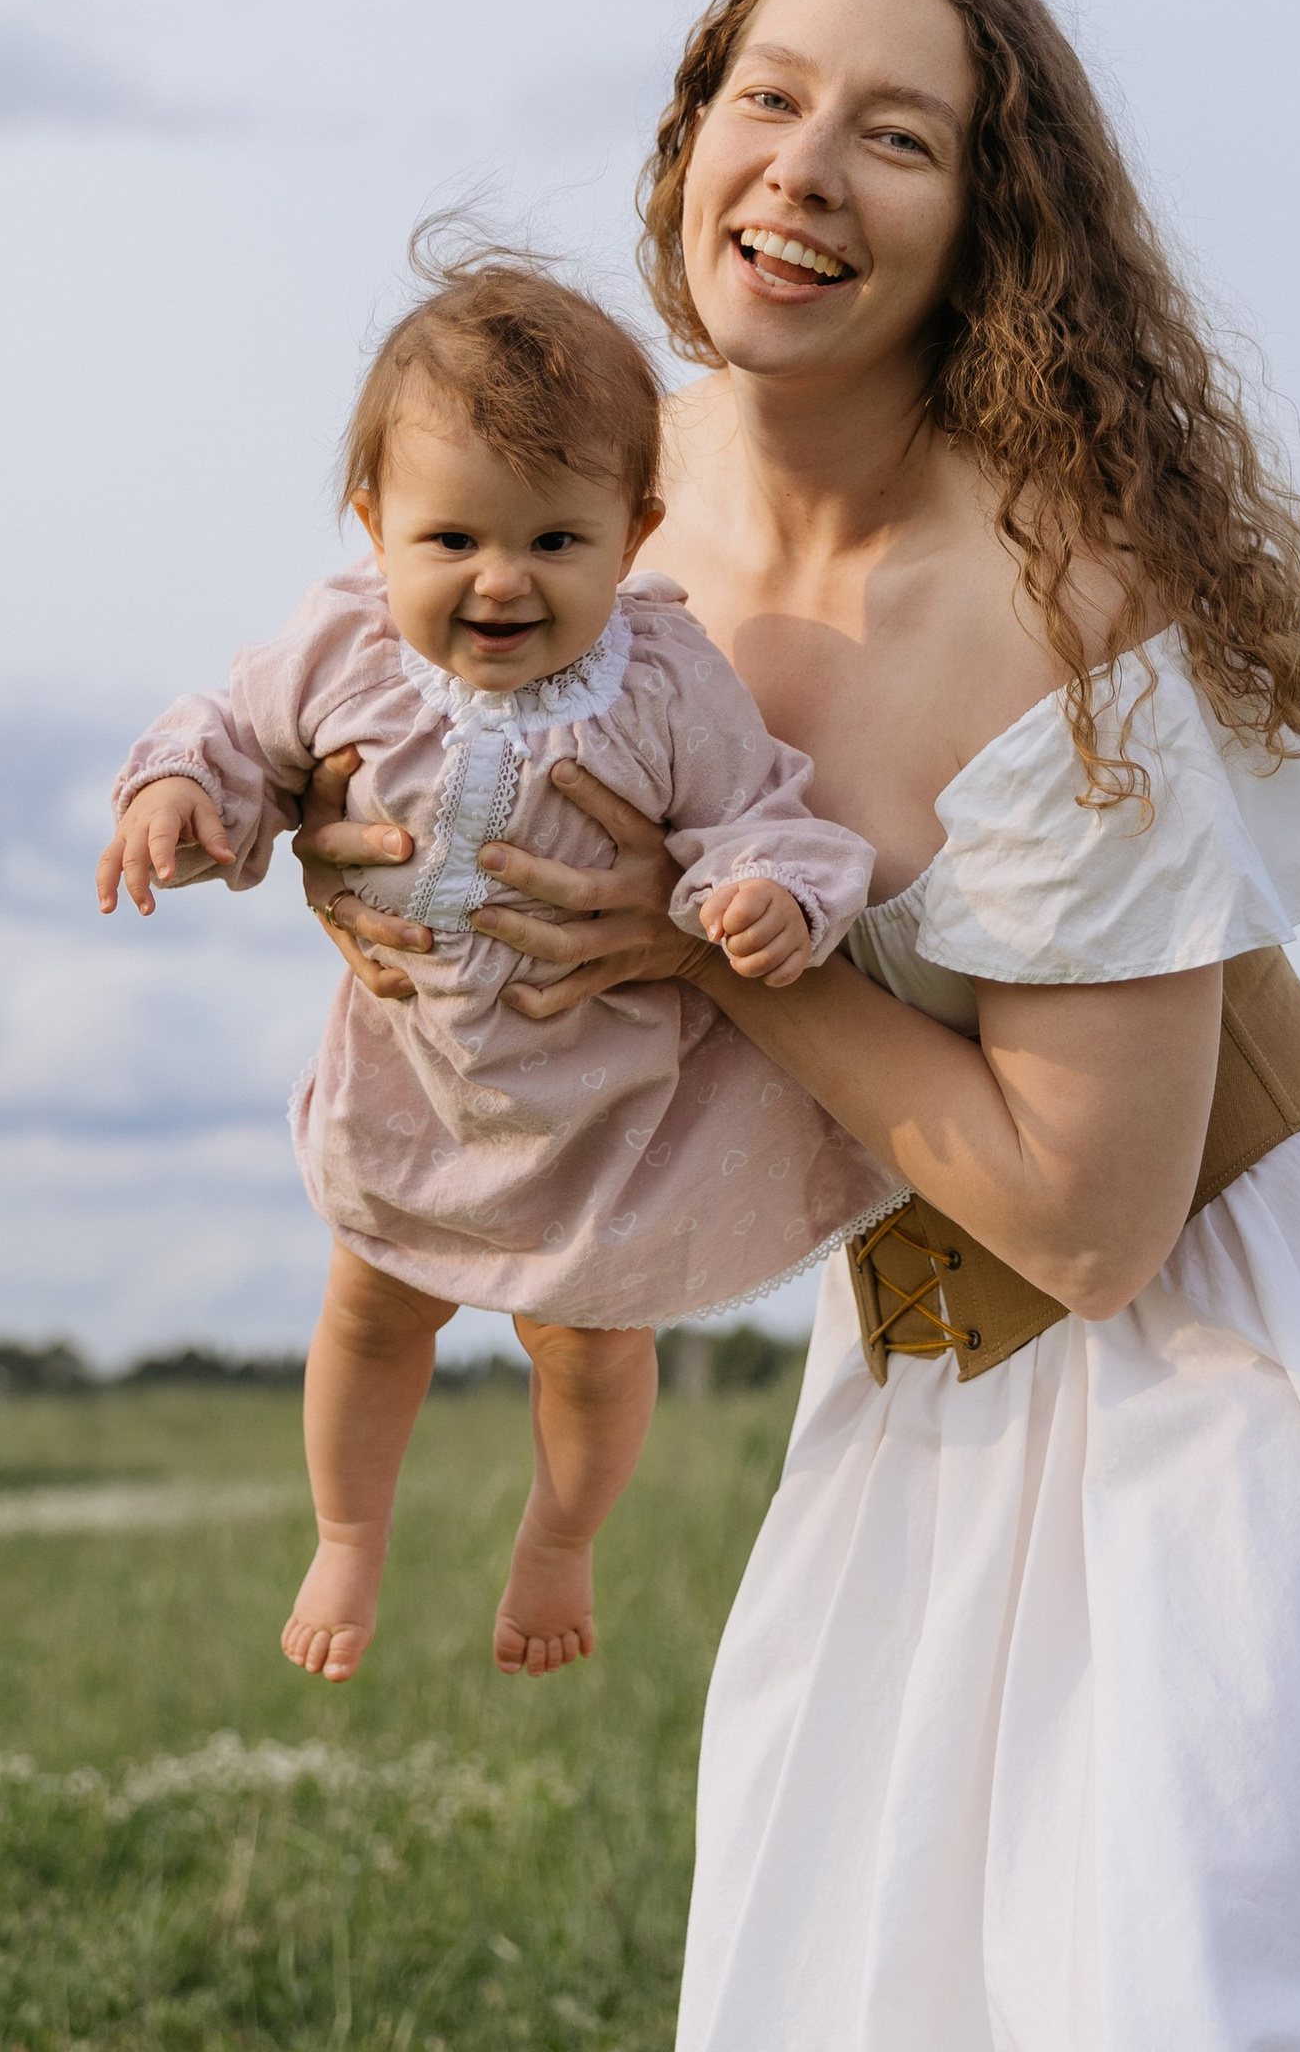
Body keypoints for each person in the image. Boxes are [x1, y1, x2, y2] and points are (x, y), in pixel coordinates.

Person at [304, 0, 1300, 2049]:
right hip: (916, 1349)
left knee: (1203, 1993)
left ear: (983, 223)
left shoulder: (1050, 591)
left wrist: (678, 946)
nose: (807, 166)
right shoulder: (604, 499)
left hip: (1239, 1327)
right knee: (858, 1992)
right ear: (689, 142)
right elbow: (397, 718)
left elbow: (1090, 1224)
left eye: (893, 135)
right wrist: (351, 866)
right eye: (768, 96)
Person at [99, 247, 891, 1682]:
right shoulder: (339, 645)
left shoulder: (667, 684)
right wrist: (183, 802)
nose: (501, 582)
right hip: (414, 1079)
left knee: (590, 1348)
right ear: (375, 523)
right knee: (371, 1305)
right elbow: (237, 738)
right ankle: (349, 1529)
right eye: (453, 540)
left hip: (598, 1110)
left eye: (555, 544)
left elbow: (758, 814)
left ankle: (565, 1535)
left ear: (634, 531)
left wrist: (766, 891)